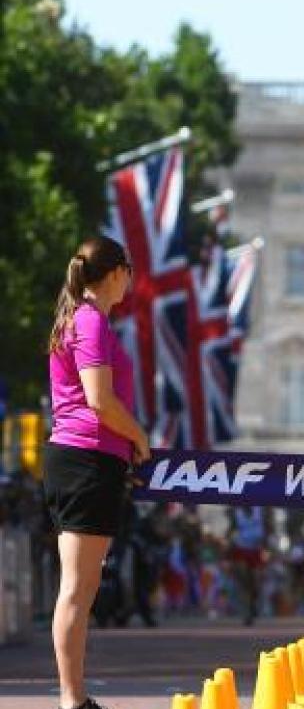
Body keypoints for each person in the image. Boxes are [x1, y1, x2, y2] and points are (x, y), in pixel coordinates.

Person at [44, 237, 151, 709]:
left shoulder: (83, 319)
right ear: (114, 273)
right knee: (76, 588)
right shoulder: (88, 321)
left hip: (85, 458)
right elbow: (100, 400)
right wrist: (139, 436)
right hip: (86, 458)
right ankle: (72, 699)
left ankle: (75, 697)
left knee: (81, 587)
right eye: (129, 271)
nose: (131, 280)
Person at [227, 505, 269, 625]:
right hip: (241, 550)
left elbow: (268, 528)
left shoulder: (259, 510)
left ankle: (253, 602)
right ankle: (247, 613)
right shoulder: (237, 512)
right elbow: (231, 530)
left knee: (255, 581)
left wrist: (266, 547)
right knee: (244, 582)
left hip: (256, 550)